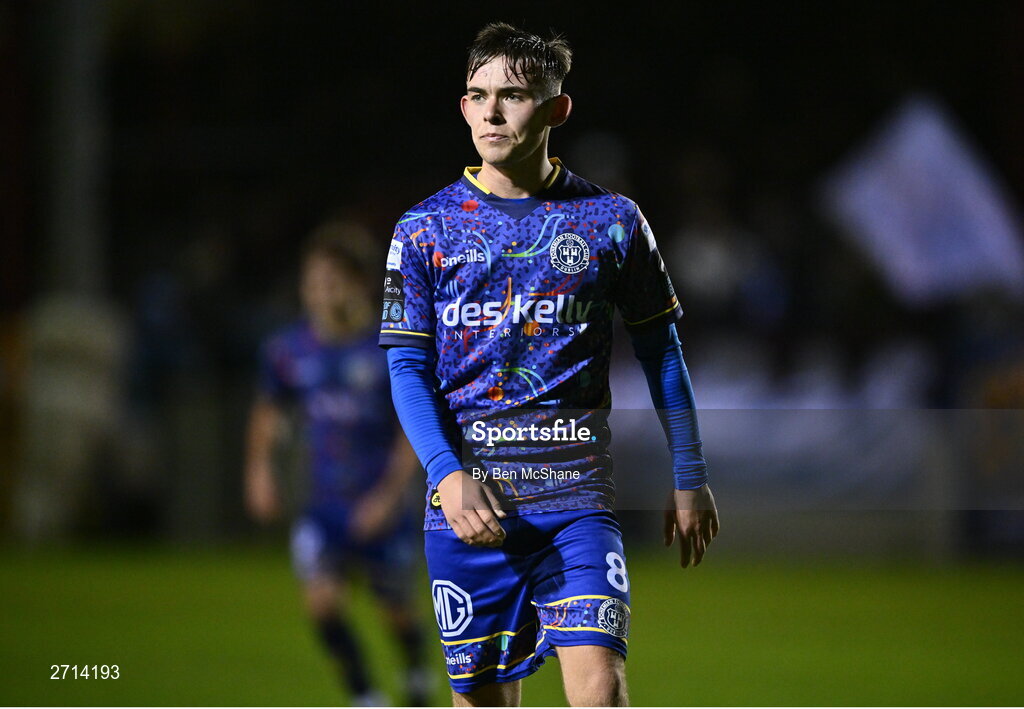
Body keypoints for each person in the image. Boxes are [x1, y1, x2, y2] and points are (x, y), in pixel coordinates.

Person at [380, 23, 720, 707]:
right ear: (463, 106)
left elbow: (661, 350)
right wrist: (447, 477)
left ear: (557, 109)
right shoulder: (423, 228)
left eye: (514, 95)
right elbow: (407, 369)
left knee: (602, 690)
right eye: (479, 95)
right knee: (484, 701)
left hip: (577, 502)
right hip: (471, 508)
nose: (493, 112)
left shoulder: (612, 221)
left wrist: (690, 473)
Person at [246, 223, 433, 706]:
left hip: (378, 499)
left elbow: (410, 429)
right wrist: (260, 470)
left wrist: (388, 498)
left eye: (331, 281)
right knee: (322, 603)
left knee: (397, 611)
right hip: (323, 501)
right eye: (313, 281)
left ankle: (415, 673)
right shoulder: (289, 350)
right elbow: (269, 410)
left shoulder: (388, 348)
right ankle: (364, 694)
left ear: (358, 284)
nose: (319, 292)